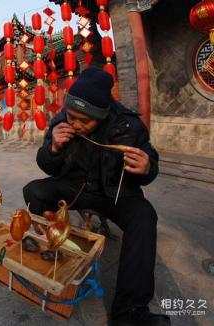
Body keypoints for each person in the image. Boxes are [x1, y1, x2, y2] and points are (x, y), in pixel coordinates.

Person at [23, 67, 170, 326]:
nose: (76, 124)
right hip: (74, 189)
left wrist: (147, 168)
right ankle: (46, 254)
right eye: (72, 116)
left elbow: (150, 166)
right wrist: (54, 147)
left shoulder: (129, 125)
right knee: (35, 190)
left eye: (84, 120)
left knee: (144, 216)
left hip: (115, 194)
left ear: (101, 116)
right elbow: (46, 165)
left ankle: (130, 310)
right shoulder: (61, 121)